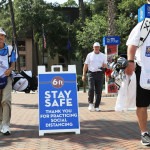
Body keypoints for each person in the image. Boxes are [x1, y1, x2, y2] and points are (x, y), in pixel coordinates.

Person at [125, 18, 150, 145]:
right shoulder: (143, 26)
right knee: (142, 104)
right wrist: (130, 62)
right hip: (144, 71)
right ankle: (144, 133)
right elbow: (132, 44)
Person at [0, 27, 17, 135]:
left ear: (5, 37)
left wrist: (10, 70)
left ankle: (5, 125)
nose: (0, 37)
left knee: (6, 100)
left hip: (7, 79)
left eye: (2, 35)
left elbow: (13, 64)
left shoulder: (10, 49)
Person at [82, 42, 107, 111]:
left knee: (99, 91)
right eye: (95, 47)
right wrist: (83, 75)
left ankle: (97, 106)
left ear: (99, 48)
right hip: (91, 74)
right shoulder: (89, 55)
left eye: (98, 47)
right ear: (93, 47)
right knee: (91, 88)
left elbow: (105, 66)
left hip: (99, 74)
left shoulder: (103, 55)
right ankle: (90, 103)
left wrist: (107, 76)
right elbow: (85, 65)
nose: (96, 48)